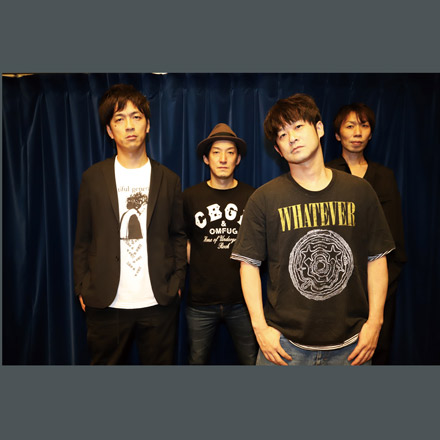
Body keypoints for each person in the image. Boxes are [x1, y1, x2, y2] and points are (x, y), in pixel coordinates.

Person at [231, 94, 395, 366]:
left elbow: (377, 258)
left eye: (298, 126)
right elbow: (248, 265)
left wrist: (375, 323)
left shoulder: (360, 191)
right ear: (278, 150)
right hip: (284, 348)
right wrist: (260, 329)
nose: (292, 138)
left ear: (319, 129)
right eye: (282, 134)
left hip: (352, 347)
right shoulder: (264, 199)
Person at [73, 84, 186, 365]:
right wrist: (82, 286)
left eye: (136, 117)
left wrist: (177, 282)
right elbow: (83, 239)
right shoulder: (93, 178)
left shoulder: (169, 179)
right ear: (110, 131)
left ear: (148, 124)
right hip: (106, 302)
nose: (129, 126)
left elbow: (177, 235)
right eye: (119, 119)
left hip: (158, 301)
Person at [326, 102, 406, 364]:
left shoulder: (384, 176)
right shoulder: (326, 174)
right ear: (337, 134)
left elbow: (394, 237)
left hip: (379, 282)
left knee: (376, 351)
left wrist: (385, 284)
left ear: (371, 134)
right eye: (350, 126)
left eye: (364, 125)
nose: (357, 132)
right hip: (335, 285)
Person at [183, 123, 258, 364]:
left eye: (230, 152)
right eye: (216, 152)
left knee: (251, 360)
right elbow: (181, 240)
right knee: (196, 361)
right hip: (201, 302)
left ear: (238, 159)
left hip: (243, 302)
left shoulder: (253, 197)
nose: (223, 159)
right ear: (206, 159)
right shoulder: (189, 197)